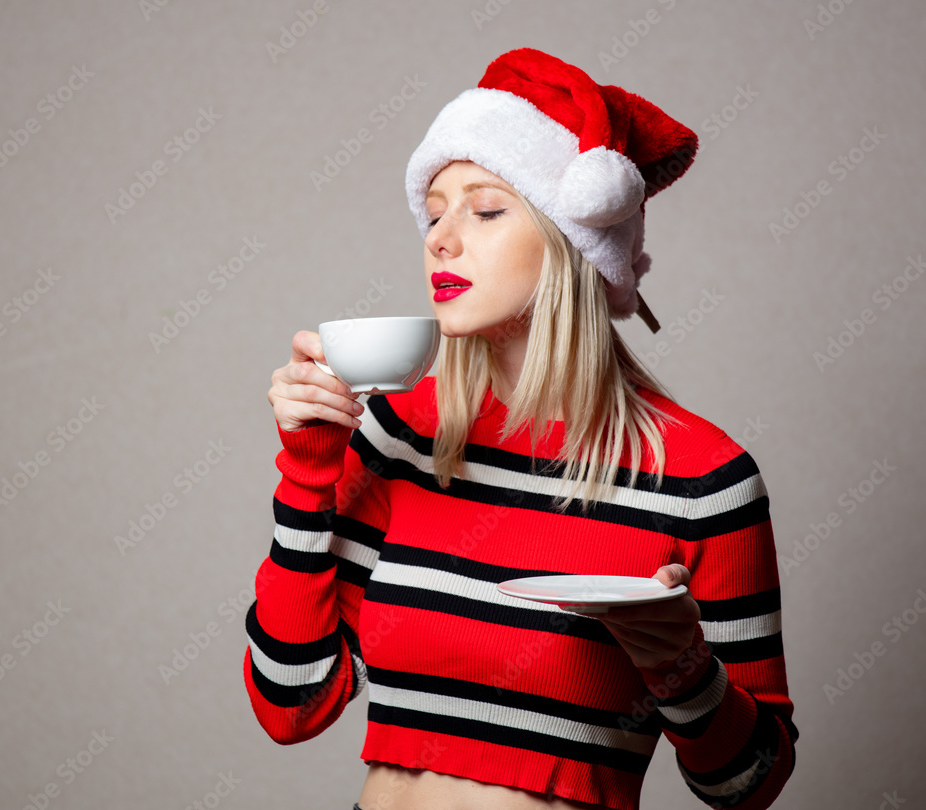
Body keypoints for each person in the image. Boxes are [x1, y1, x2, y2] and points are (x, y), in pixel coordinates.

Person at [245, 48, 798, 810]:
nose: (439, 237)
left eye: (487, 208)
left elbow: (750, 782)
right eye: (434, 209)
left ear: (575, 244)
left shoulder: (705, 479)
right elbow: (290, 707)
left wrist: (680, 666)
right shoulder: (397, 435)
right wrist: (309, 469)